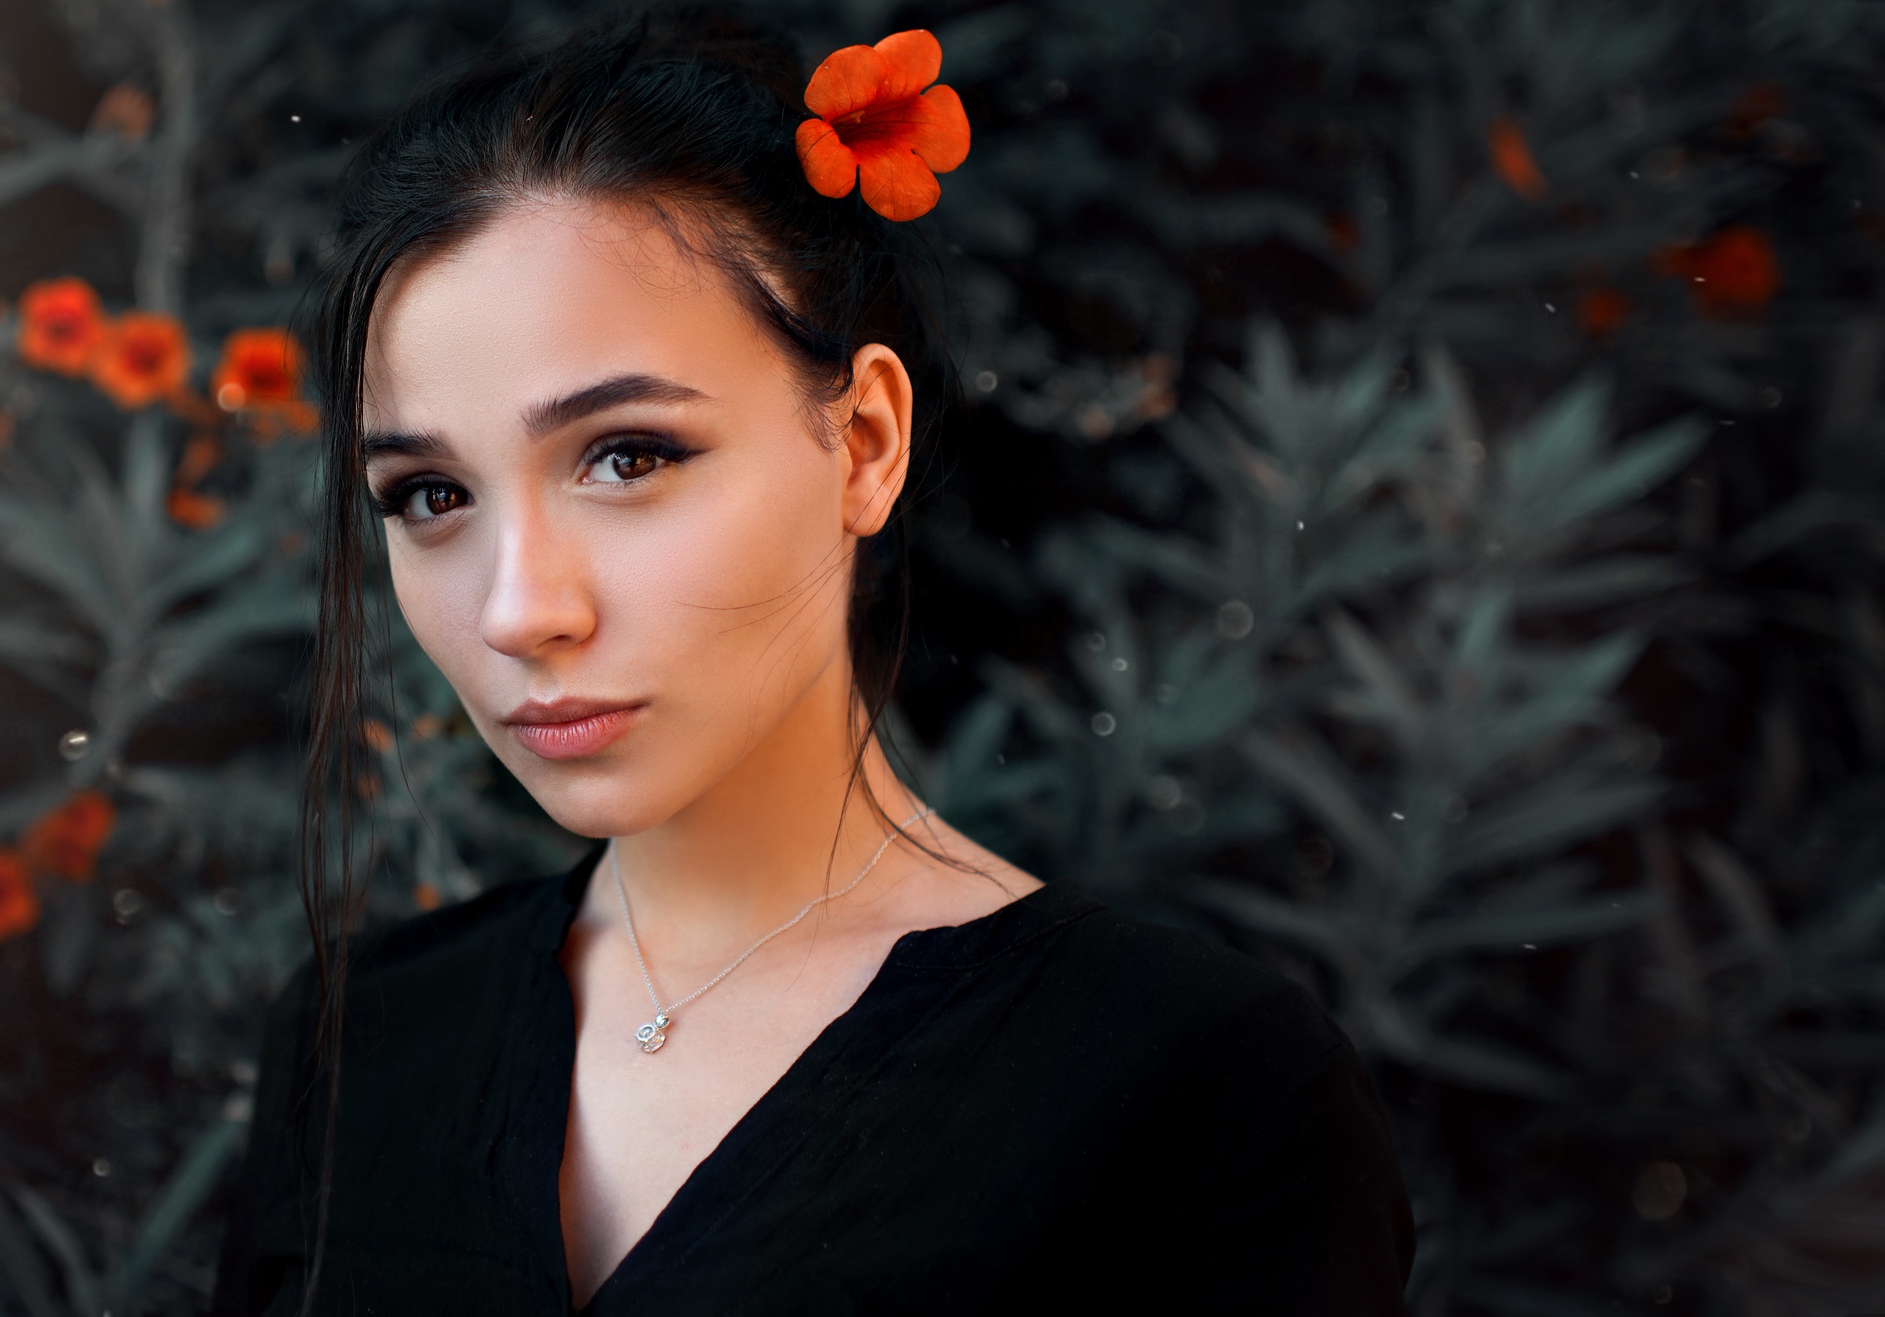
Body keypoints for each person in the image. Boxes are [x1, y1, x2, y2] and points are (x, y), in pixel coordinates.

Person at [218, 11, 1413, 1314]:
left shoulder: (1195, 1082)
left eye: (627, 456)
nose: (519, 608)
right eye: (431, 494)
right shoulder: (363, 1038)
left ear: (864, 444)